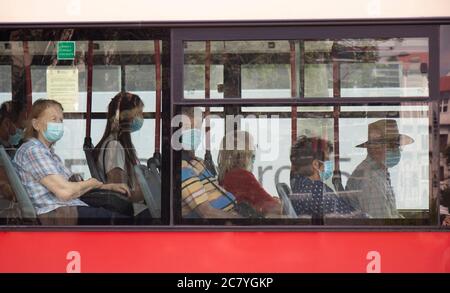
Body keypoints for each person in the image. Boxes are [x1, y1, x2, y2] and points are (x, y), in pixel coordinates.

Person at [13, 99, 131, 225]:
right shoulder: (33, 151)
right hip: (57, 214)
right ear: (36, 124)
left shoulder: (49, 153)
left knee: (121, 209)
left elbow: (74, 183)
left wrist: (107, 186)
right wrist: (90, 183)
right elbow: (65, 191)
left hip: (69, 209)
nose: (58, 124)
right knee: (128, 224)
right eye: (53, 119)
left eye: (61, 120)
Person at [179, 107, 240, 218]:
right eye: (188, 128)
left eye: (197, 128)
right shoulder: (181, 168)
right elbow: (207, 213)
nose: (194, 133)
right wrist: (242, 222)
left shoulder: (197, 162)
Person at [345, 119, 413, 219]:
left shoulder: (380, 172)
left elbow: (391, 214)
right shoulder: (371, 178)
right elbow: (382, 223)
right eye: (393, 146)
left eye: (397, 146)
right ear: (376, 148)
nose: (397, 151)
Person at [94, 92, 146, 203]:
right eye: (140, 113)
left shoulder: (119, 145)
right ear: (128, 117)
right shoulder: (114, 147)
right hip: (131, 211)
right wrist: (148, 190)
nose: (142, 118)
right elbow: (120, 193)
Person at [289, 135, 356, 220]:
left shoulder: (299, 183)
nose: (329, 164)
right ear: (316, 164)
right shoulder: (316, 190)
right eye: (327, 160)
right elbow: (350, 218)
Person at [218, 130, 282, 217]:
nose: (254, 152)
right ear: (243, 152)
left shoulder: (226, 174)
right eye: (252, 148)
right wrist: (279, 202)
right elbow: (274, 207)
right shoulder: (242, 176)